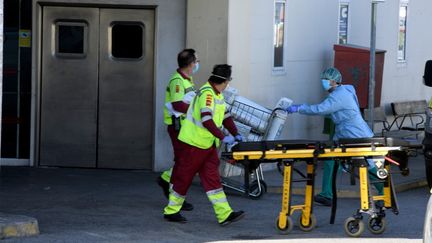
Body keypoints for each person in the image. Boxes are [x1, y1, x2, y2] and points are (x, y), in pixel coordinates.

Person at [286, 67, 383, 207]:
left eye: (326, 81)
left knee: (368, 164)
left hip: (355, 134)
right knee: (332, 160)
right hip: (347, 133)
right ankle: (327, 194)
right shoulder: (345, 90)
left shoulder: (339, 96)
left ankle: (385, 193)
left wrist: (299, 108)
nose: (323, 83)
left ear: (334, 82)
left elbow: (321, 109)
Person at [163, 64, 245, 225]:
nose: (228, 84)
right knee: (184, 178)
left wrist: (235, 133)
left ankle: (225, 214)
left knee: (212, 178)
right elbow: (207, 119)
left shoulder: (216, 94)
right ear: (224, 81)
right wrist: (223, 137)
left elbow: (225, 115)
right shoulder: (207, 94)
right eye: (228, 81)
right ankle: (171, 211)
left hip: (206, 145)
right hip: (194, 144)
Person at [157, 49, 199, 211]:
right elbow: (177, 105)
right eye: (196, 61)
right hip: (178, 127)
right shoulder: (177, 81)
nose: (197, 64)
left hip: (185, 126)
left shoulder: (187, 80)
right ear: (190, 64)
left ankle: (167, 181)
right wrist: (197, 108)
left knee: (184, 161)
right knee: (184, 162)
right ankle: (175, 197)